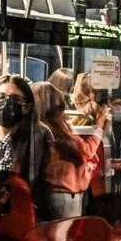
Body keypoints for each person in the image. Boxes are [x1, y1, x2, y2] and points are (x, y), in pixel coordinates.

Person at [32, 81, 101, 219]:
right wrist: (98, 129)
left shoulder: (41, 128)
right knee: (64, 237)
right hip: (65, 192)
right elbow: (85, 150)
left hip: (52, 191)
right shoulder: (55, 132)